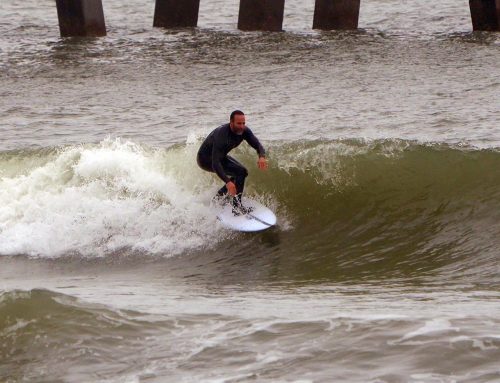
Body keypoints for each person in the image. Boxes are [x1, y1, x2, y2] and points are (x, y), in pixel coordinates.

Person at [197, 110, 268, 215]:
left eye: (243, 123)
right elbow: (215, 163)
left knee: (242, 172)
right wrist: (228, 182)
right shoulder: (221, 135)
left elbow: (258, 145)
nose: (242, 126)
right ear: (231, 122)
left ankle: (219, 197)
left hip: (220, 157)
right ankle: (237, 208)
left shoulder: (244, 131)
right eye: (238, 123)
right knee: (239, 173)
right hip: (205, 159)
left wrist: (261, 157)